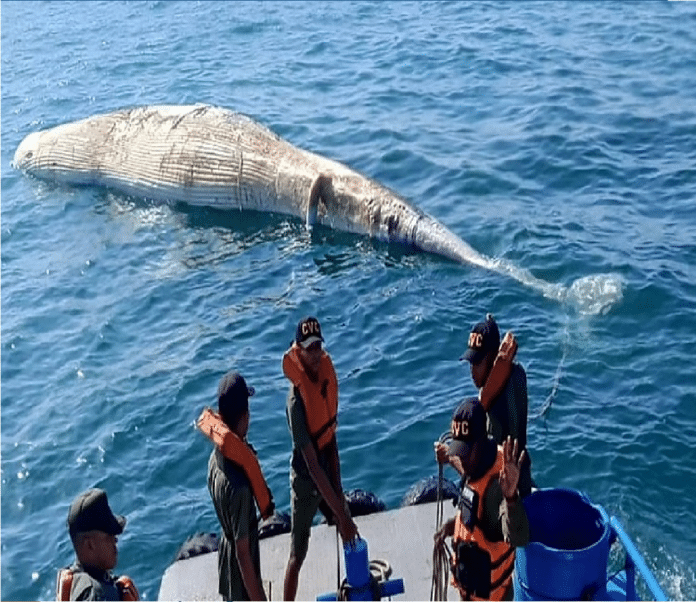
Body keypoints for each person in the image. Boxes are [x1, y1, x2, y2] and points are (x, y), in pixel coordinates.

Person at [282, 316, 358, 601]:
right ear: (298, 351)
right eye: (308, 348)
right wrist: (339, 512)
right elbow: (311, 464)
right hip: (305, 482)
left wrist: (339, 498)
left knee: (349, 531)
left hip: (327, 471)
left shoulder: (327, 377)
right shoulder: (295, 401)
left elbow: (331, 438)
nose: (314, 354)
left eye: (318, 347)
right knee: (296, 554)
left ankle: (357, 588)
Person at [434, 398, 529, 601]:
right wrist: (452, 526)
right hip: (470, 588)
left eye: (466, 452)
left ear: (482, 441)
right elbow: (471, 486)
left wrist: (511, 497)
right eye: (459, 450)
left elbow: (519, 536)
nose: (462, 458)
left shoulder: (497, 490)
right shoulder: (478, 464)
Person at [204, 371, 271, 601]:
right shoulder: (239, 487)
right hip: (241, 570)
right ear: (244, 416)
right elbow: (243, 556)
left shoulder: (216, 459)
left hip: (226, 554)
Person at [460, 313, 533, 498]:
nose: (472, 371)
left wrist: (450, 457)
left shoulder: (507, 390)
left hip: (507, 490)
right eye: (470, 363)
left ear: (493, 360)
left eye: (477, 363)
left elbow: (495, 460)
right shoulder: (495, 386)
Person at [56, 488, 139, 601]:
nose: (115, 540)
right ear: (90, 544)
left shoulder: (76, 579)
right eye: (108, 536)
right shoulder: (97, 595)